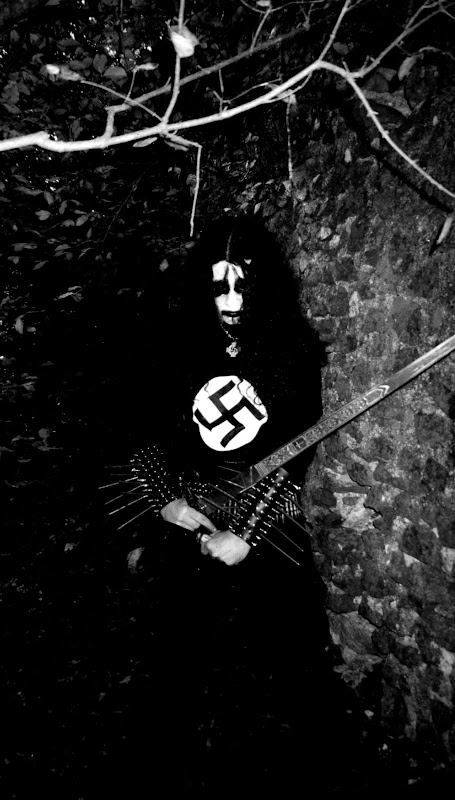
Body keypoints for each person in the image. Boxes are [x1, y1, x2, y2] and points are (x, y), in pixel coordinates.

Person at [108, 216, 330, 791]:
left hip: (269, 525)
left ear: (266, 286)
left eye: (242, 286)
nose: (230, 301)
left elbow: (294, 453)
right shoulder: (177, 348)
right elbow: (141, 430)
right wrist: (166, 501)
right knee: (175, 666)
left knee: (296, 668)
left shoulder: (293, 352)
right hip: (191, 524)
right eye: (218, 287)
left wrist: (247, 533)